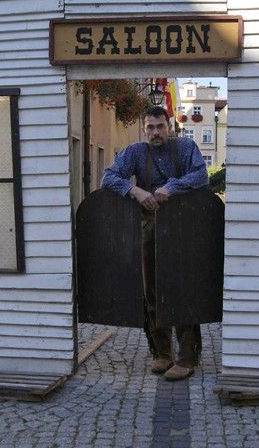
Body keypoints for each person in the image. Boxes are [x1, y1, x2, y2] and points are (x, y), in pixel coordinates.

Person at [101, 106, 208, 381]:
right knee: (151, 291)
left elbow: (201, 175)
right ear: (144, 128)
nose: (156, 132)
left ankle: (187, 357)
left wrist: (169, 188)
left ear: (169, 126)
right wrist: (135, 190)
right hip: (149, 227)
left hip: (183, 227)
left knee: (182, 290)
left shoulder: (185, 147)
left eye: (160, 126)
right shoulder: (135, 152)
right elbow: (108, 177)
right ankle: (162, 353)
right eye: (150, 127)